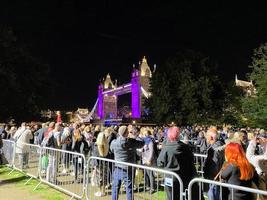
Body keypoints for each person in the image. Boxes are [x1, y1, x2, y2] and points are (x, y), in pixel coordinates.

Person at [157, 126, 201, 200]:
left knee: (172, 197)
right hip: (183, 177)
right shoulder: (185, 147)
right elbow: (191, 160)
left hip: (171, 178)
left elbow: (160, 163)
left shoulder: (166, 148)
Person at [110, 125, 145, 200]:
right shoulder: (131, 141)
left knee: (115, 188)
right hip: (127, 169)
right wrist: (135, 135)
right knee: (129, 189)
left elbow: (111, 150)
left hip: (118, 167)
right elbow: (142, 143)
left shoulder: (114, 142)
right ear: (127, 133)